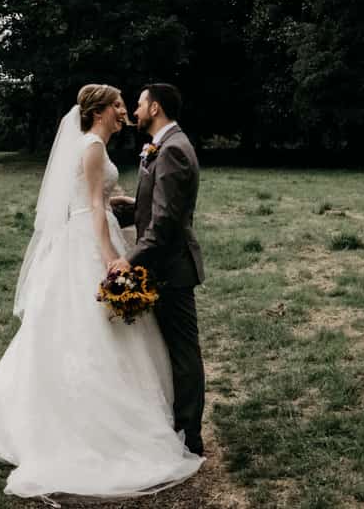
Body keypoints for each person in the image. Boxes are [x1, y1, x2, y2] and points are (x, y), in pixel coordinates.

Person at [0, 84, 203, 501]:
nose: (126, 110)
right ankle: (109, 423)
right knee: (98, 330)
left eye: (133, 103)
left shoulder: (120, 146)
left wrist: (119, 214)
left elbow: (102, 201)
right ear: (99, 111)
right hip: (93, 240)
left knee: (97, 329)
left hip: (102, 237)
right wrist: (110, 256)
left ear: (154, 107)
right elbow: (93, 206)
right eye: (118, 104)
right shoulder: (95, 147)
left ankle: (182, 428)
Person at [108, 82, 206, 455]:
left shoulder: (172, 150)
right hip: (165, 264)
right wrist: (130, 206)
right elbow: (162, 208)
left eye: (139, 104)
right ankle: (178, 425)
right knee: (170, 349)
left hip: (171, 268)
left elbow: (165, 223)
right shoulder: (163, 146)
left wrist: (128, 260)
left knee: (182, 352)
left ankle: (190, 437)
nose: (134, 110)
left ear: (155, 108)